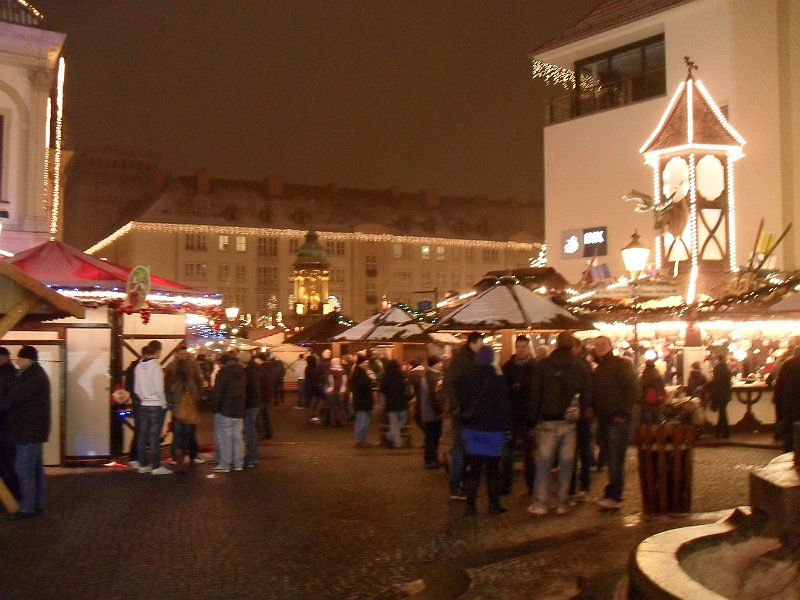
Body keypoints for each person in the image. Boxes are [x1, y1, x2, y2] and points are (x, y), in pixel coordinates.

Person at [528, 332, 591, 516]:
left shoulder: (544, 365)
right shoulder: (580, 365)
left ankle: (541, 503)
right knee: (567, 463)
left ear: (556, 344)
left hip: (548, 420)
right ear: (572, 345)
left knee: (544, 464)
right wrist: (581, 412)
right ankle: (563, 503)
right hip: (570, 422)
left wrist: (532, 420)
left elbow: (535, 393)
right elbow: (587, 392)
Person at [458, 346, 510, 516]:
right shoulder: (497, 379)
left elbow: (463, 402)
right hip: (493, 430)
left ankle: (470, 505)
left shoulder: (468, 377)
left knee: (474, 469)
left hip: (474, 429)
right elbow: (503, 407)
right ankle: (494, 504)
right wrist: (506, 428)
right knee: (493, 469)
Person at [0, 346, 50, 519]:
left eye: (20, 359)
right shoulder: (34, 374)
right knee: (34, 469)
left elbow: (14, 398)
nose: (17, 362)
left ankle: (27, 508)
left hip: (28, 431)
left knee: (24, 469)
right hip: (33, 430)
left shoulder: (32, 376)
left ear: (28, 359)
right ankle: (37, 503)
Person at [590, 336, 638, 510]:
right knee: (611, 457)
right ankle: (611, 491)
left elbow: (633, 389)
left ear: (610, 346)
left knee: (616, 457)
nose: (600, 346)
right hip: (605, 418)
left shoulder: (621, 364)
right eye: (597, 344)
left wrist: (622, 412)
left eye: (603, 343)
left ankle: (615, 496)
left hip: (617, 419)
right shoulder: (599, 369)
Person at [443, 331, 484, 501]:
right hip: (463, 414)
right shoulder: (463, 360)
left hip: (467, 412)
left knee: (463, 450)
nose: (482, 347)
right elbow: (449, 382)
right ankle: (456, 486)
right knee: (462, 451)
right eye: (480, 344)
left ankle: (458, 485)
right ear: (472, 344)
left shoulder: (468, 359)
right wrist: (457, 405)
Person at [500, 335, 536, 495]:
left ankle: (531, 485)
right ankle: (506, 484)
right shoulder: (508, 366)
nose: (520, 350)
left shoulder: (534, 366)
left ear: (528, 347)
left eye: (523, 347)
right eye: (518, 347)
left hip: (528, 415)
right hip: (512, 414)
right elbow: (503, 390)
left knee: (530, 452)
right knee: (508, 451)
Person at [164, 344, 205, 472]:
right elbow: (198, 383)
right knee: (184, 434)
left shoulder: (175, 366)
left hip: (180, 406)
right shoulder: (188, 366)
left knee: (182, 434)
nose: (183, 356)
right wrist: (198, 397)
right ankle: (184, 459)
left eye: (185, 353)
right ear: (176, 354)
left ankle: (181, 459)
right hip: (186, 405)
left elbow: (167, 387)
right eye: (181, 353)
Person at [134, 341, 172, 475]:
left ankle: (143, 465)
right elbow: (159, 389)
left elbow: (136, 389)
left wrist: (144, 398)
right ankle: (156, 466)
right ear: (158, 350)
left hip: (143, 404)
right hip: (156, 405)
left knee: (142, 435)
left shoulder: (139, 366)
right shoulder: (156, 367)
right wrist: (163, 403)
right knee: (154, 436)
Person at [211, 352, 246, 472]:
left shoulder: (223, 374)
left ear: (222, 363)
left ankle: (225, 464)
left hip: (225, 410)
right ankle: (238, 464)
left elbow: (217, 393)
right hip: (239, 409)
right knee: (238, 438)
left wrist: (215, 408)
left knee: (225, 439)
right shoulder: (241, 372)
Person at [410, 355, 445, 469]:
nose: (441, 365)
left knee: (432, 437)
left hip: (428, 411)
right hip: (432, 412)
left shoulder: (428, 375)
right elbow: (434, 396)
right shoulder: (433, 377)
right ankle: (431, 461)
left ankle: (431, 459)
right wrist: (439, 411)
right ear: (435, 364)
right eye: (440, 363)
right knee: (432, 437)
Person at [0, 347, 19, 501]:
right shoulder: (13, 374)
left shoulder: (9, 375)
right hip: (8, 425)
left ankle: (13, 496)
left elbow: (8, 401)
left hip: (7, 426)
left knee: (7, 463)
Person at [774, 345, 800, 452]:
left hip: (789, 402)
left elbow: (780, 385)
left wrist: (779, 402)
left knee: (790, 429)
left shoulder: (787, 364)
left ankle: (789, 452)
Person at [380, 360, 411, 448]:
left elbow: (382, 389)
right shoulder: (402, 375)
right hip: (402, 402)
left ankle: (395, 441)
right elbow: (407, 387)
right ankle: (393, 438)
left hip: (391, 403)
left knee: (394, 423)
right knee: (402, 420)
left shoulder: (386, 376)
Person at [243, 352, 262, 468]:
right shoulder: (255, 370)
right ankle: (253, 457)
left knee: (250, 431)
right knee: (251, 430)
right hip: (255, 403)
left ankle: (252, 457)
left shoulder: (249, 373)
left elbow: (248, 389)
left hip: (250, 404)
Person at [350, 355, 375, 447]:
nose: (366, 364)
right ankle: (360, 440)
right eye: (365, 363)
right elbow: (360, 386)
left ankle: (362, 439)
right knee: (362, 422)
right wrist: (370, 380)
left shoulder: (361, 372)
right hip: (361, 401)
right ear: (360, 363)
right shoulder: (358, 373)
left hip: (363, 401)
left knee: (364, 422)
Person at [708, 352, 733, 439]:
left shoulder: (717, 368)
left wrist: (705, 386)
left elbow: (715, 381)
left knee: (722, 413)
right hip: (727, 394)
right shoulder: (727, 368)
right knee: (722, 412)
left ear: (717, 359)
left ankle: (725, 433)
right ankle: (719, 432)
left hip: (719, 393)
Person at [254, 353, 274, 438]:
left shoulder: (260, 370)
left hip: (261, 396)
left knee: (257, 416)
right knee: (266, 416)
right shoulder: (268, 368)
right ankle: (268, 433)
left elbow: (259, 384)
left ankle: (261, 433)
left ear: (259, 359)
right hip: (267, 395)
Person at [639, 359, 666, 426]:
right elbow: (662, 385)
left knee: (648, 417)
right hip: (657, 399)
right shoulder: (657, 373)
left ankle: (649, 428)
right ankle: (659, 428)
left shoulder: (645, 374)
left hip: (647, 399)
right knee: (657, 414)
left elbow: (642, 385)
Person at [305, 354, 326, 424]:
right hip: (315, 387)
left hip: (309, 387)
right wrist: (321, 376)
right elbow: (316, 376)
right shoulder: (313, 368)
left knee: (312, 402)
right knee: (323, 399)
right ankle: (315, 415)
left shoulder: (307, 367)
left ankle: (312, 416)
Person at [326, 357, 347, 426]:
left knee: (332, 407)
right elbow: (344, 381)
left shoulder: (331, 371)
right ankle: (342, 422)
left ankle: (333, 422)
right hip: (340, 391)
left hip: (333, 391)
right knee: (341, 407)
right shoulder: (342, 370)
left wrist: (330, 389)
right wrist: (343, 389)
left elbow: (330, 381)